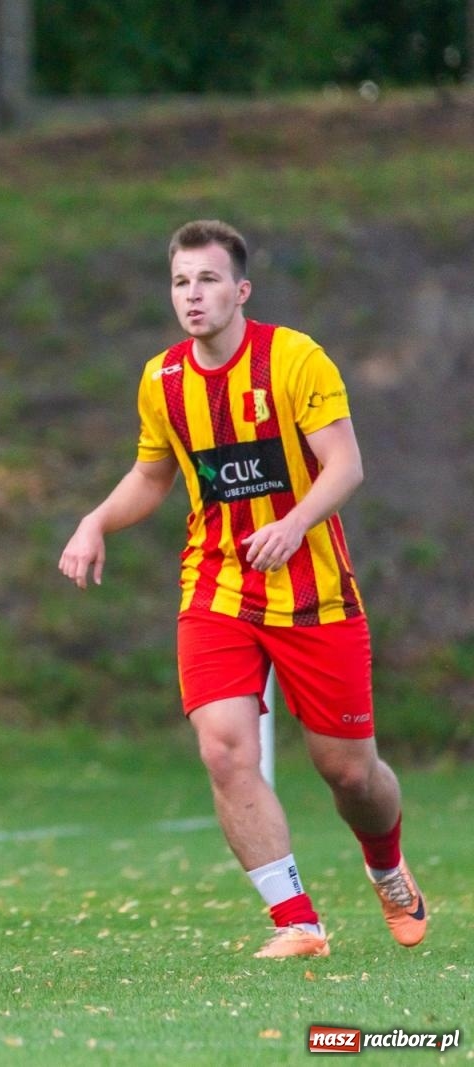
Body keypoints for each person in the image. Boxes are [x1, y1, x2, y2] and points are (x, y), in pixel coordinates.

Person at [57, 219, 427, 959]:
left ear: (241, 290)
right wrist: (95, 520)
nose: (192, 295)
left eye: (208, 279)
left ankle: (386, 863)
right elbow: (153, 474)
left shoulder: (294, 358)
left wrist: (293, 524)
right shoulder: (163, 380)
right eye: (180, 282)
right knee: (225, 750)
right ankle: (296, 920)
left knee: (349, 772)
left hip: (313, 590)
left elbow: (345, 465)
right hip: (217, 585)